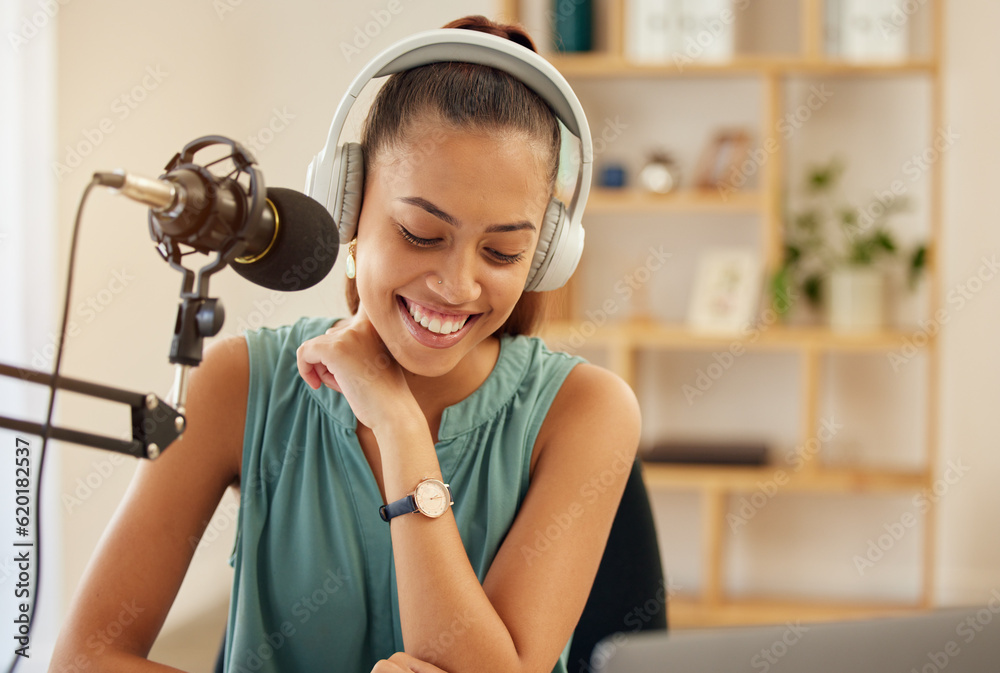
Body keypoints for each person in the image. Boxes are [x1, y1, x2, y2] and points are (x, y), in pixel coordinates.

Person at [49, 15, 639, 673]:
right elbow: (84, 657)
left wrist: (396, 421)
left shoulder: (587, 410)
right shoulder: (244, 381)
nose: (457, 283)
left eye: (502, 251)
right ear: (347, 205)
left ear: (544, 255)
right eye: (421, 233)